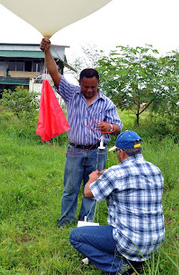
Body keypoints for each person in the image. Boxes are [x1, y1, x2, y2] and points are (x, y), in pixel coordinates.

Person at [40, 38, 122, 227]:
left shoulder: (107, 103)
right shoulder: (71, 93)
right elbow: (53, 72)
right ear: (80, 83)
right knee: (70, 188)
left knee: (93, 188)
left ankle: (85, 222)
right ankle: (65, 221)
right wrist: (47, 51)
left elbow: (118, 127)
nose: (89, 90)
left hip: (97, 152)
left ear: (98, 83)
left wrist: (109, 127)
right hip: (74, 150)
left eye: (93, 87)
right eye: (86, 86)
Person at [69, 130, 165, 275]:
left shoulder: (116, 173)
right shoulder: (155, 170)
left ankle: (120, 268)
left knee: (76, 236)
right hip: (154, 242)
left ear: (121, 152)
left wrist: (92, 178)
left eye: (116, 153)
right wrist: (109, 174)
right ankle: (138, 262)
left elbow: (88, 192)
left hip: (129, 242)